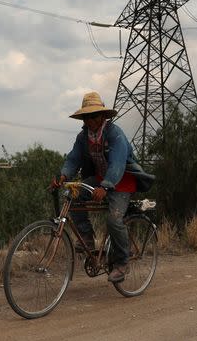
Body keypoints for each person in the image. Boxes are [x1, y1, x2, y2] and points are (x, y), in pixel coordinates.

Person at [50, 91, 153, 283]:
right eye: (87, 117)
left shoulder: (115, 135)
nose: (91, 120)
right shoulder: (83, 137)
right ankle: (87, 239)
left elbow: (117, 164)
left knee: (114, 220)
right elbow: (73, 159)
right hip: (100, 179)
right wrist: (63, 175)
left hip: (122, 181)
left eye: (94, 116)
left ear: (103, 116)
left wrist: (106, 186)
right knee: (73, 195)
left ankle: (122, 262)